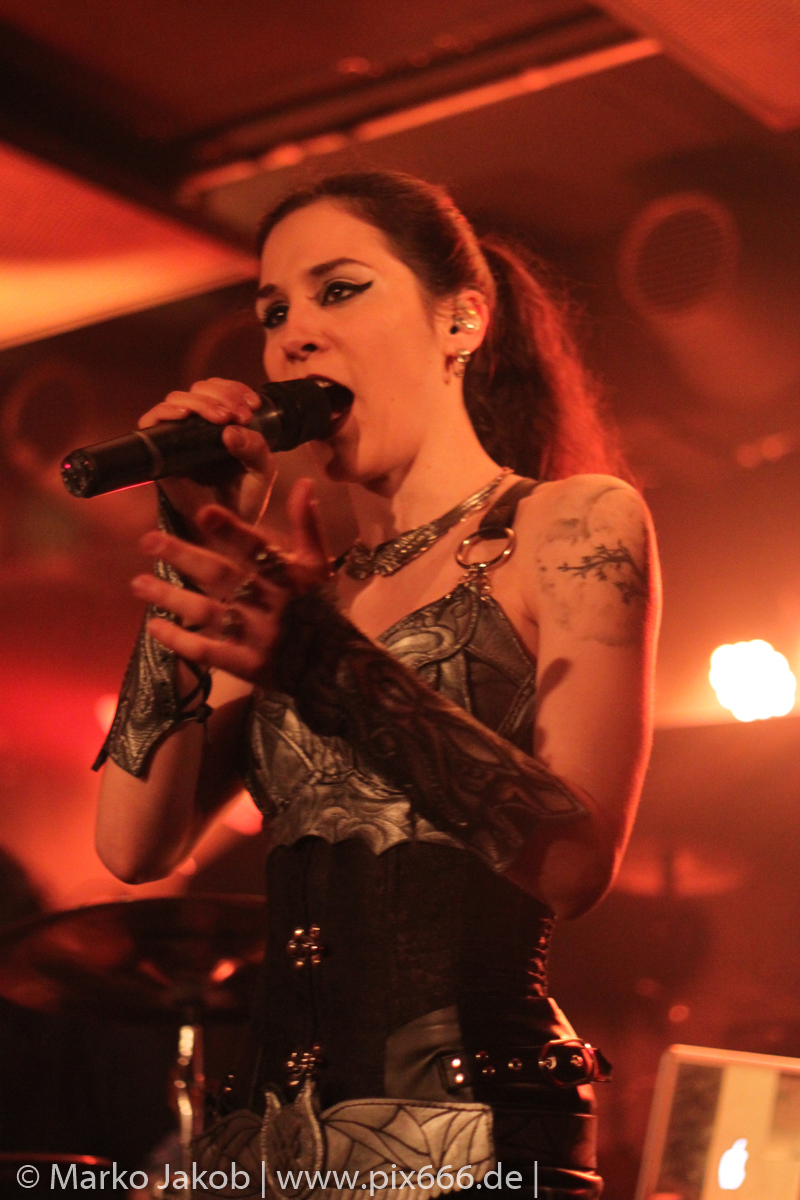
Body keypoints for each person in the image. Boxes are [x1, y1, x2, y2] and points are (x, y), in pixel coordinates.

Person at [94, 170, 659, 1198]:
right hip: (271, 1149)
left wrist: (321, 661)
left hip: (471, 1137)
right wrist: (189, 537)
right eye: (273, 312)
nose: (292, 338)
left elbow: (577, 864)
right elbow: (134, 845)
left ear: (461, 320)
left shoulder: (572, 522)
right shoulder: (303, 593)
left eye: (339, 290)